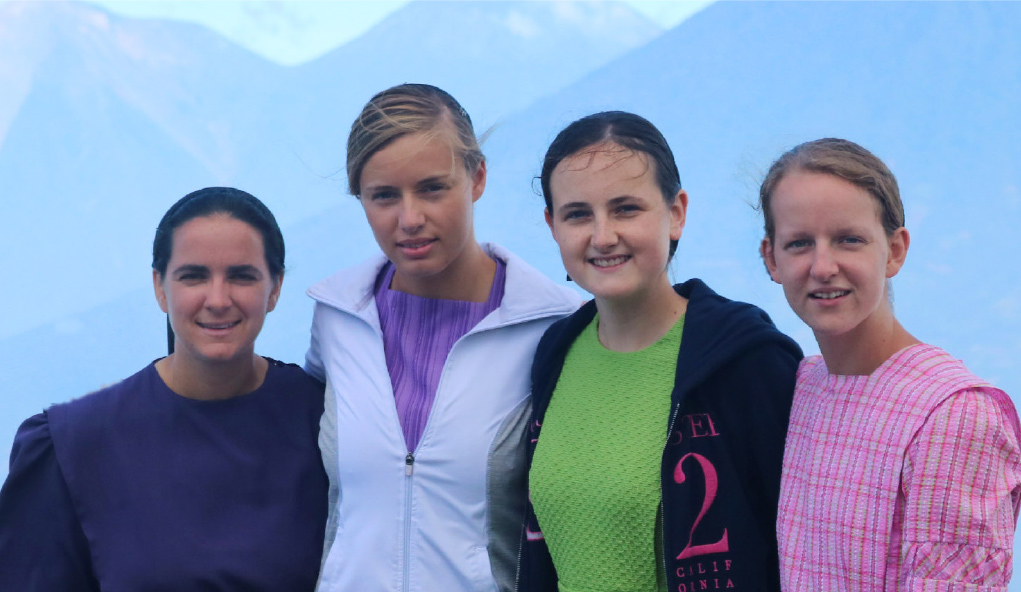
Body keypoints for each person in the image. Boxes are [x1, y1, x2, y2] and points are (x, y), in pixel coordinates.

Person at [306, 83, 581, 592]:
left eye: (432, 188)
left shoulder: (556, 327)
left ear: (477, 178)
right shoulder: (336, 318)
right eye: (383, 195)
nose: (409, 219)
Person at [518, 111, 803, 592]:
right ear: (552, 225)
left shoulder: (746, 362)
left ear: (676, 212)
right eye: (578, 214)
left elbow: (798, 549)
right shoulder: (555, 353)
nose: (603, 235)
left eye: (626, 208)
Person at [0, 187, 328, 591]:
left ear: (275, 287)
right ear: (160, 287)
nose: (218, 299)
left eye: (242, 276)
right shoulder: (73, 443)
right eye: (194, 276)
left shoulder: (325, 424)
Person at [758, 138, 1021, 590]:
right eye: (799, 243)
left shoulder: (955, 415)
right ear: (771, 258)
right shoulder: (802, 386)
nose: (823, 266)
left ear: (895, 250)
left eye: (849, 240)